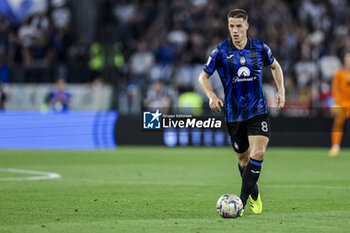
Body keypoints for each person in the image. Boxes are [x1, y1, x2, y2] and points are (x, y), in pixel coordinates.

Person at [198, 9, 285, 216]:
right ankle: (254, 193)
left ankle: (241, 203)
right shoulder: (220, 51)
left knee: (259, 153)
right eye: (231, 26)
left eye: (238, 26)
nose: (235, 30)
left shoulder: (260, 48)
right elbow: (202, 77)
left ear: (247, 26)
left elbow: (275, 66)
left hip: (258, 109)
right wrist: (211, 95)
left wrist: (281, 89)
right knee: (243, 160)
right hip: (234, 113)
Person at [329, 52, 350, 157]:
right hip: (342, 104)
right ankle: (335, 146)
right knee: (338, 124)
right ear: (344, 60)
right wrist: (336, 101)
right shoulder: (339, 73)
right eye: (348, 58)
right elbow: (335, 88)